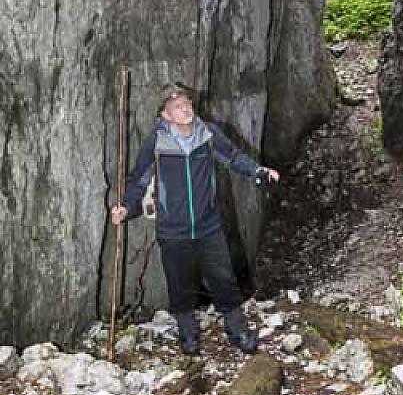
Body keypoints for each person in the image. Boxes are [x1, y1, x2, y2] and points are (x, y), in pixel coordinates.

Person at [110, 83, 280, 356]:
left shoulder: (207, 134)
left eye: (187, 103)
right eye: (177, 107)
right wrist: (127, 208)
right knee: (180, 285)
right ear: (165, 115)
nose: (185, 109)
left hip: (208, 225)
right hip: (172, 229)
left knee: (223, 279)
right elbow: (139, 180)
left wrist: (258, 172)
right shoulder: (157, 142)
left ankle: (238, 331)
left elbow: (233, 157)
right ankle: (188, 335)